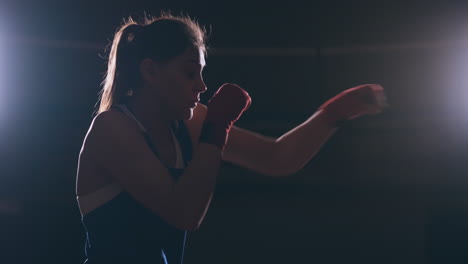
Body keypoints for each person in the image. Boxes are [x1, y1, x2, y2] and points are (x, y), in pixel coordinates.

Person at [75, 13, 388, 264]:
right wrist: (218, 125)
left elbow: (277, 158)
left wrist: (335, 112)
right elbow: (184, 212)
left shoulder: (188, 123)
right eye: (189, 73)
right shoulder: (111, 129)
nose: (201, 86)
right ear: (150, 71)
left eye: (201, 73)